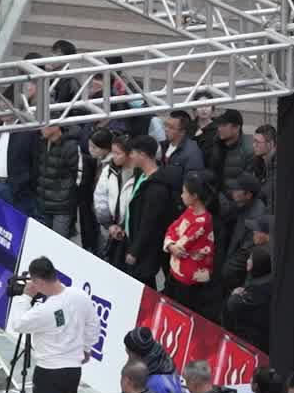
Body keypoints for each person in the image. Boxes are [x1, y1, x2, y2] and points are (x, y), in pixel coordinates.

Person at [5, 255, 99, 393]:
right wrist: (86, 348)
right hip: (73, 370)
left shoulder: (45, 310)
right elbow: (93, 326)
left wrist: (26, 296)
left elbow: (18, 324)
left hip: (49, 372)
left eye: (34, 282)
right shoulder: (80, 295)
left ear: (40, 282)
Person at [163, 170, 219, 319]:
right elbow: (172, 228)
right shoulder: (190, 210)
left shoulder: (203, 221)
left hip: (189, 278)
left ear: (194, 196)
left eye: (184, 192)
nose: (181, 195)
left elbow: (182, 244)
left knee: (182, 314)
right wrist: (171, 245)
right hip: (177, 270)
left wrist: (172, 244)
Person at [121, 135, 174, 287]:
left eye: (133, 153)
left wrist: (135, 251)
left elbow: (149, 223)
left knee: (143, 285)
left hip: (146, 249)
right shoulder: (141, 176)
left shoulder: (157, 188)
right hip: (133, 239)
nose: (130, 156)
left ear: (143, 155)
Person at [91, 130, 141, 265]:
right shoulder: (108, 170)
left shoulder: (140, 175)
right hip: (110, 230)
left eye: (118, 153)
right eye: (113, 152)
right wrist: (109, 225)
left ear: (130, 154)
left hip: (133, 234)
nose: (113, 157)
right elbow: (100, 198)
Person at [0, 120, 43, 221]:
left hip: (17, 190)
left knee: (16, 227)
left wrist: (26, 185)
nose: (1, 107)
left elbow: (35, 161)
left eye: (5, 104)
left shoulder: (27, 129)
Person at [36, 123, 82, 237]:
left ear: (56, 127)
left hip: (62, 207)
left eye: (44, 126)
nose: (41, 129)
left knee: (58, 245)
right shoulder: (42, 142)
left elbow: (78, 176)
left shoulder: (70, 146)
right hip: (43, 203)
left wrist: (67, 195)